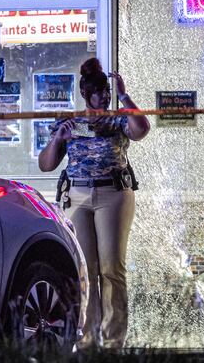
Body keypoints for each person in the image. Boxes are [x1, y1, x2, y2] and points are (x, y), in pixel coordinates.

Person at [38, 57, 150, 349]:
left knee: (112, 267)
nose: (105, 97)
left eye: (108, 92)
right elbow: (46, 165)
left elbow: (142, 128)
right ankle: (87, 341)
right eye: (99, 92)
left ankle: (113, 343)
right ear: (86, 93)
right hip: (77, 196)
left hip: (113, 195)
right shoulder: (70, 121)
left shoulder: (118, 119)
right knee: (84, 268)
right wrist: (57, 140)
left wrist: (125, 95)